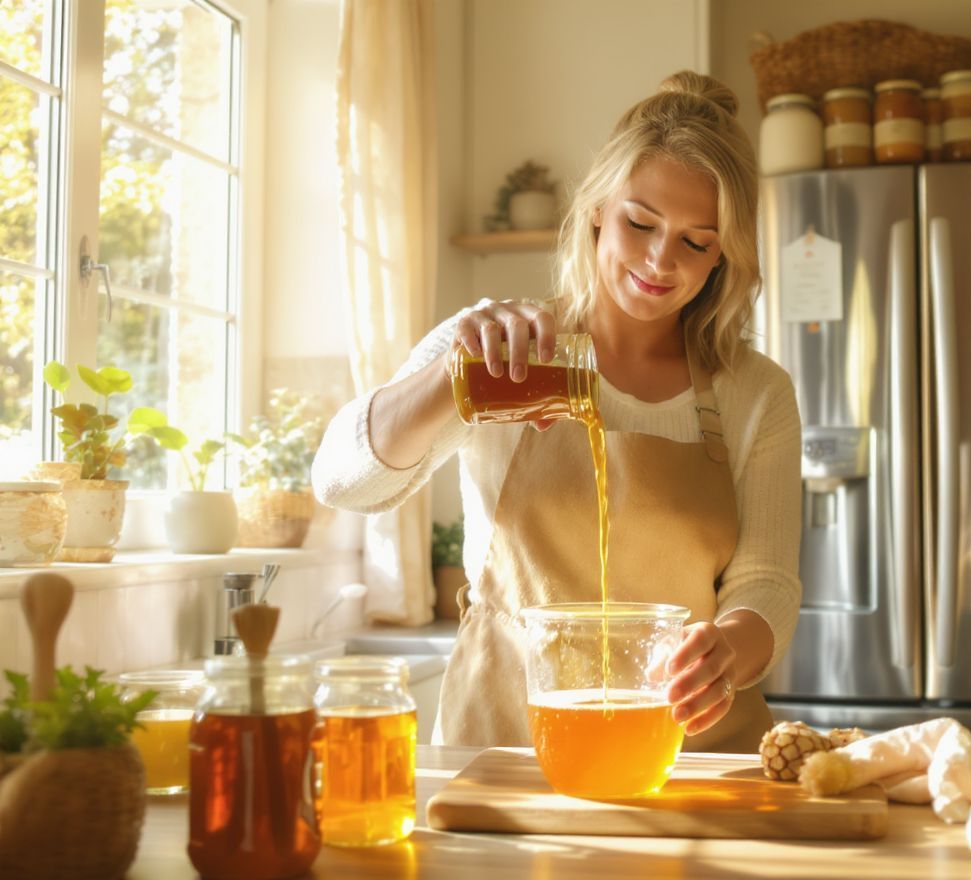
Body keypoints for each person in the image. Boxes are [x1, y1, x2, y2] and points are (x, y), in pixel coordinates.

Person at [313, 71, 802, 753]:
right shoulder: (506, 349)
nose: (661, 261)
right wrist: (451, 378)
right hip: (510, 744)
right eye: (641, 223)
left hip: (688, 750)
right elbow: (342, 483)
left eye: (696, 241)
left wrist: (730, 647)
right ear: (599, 207)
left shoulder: (755, 392)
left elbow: (766, 581)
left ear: (723, 256)